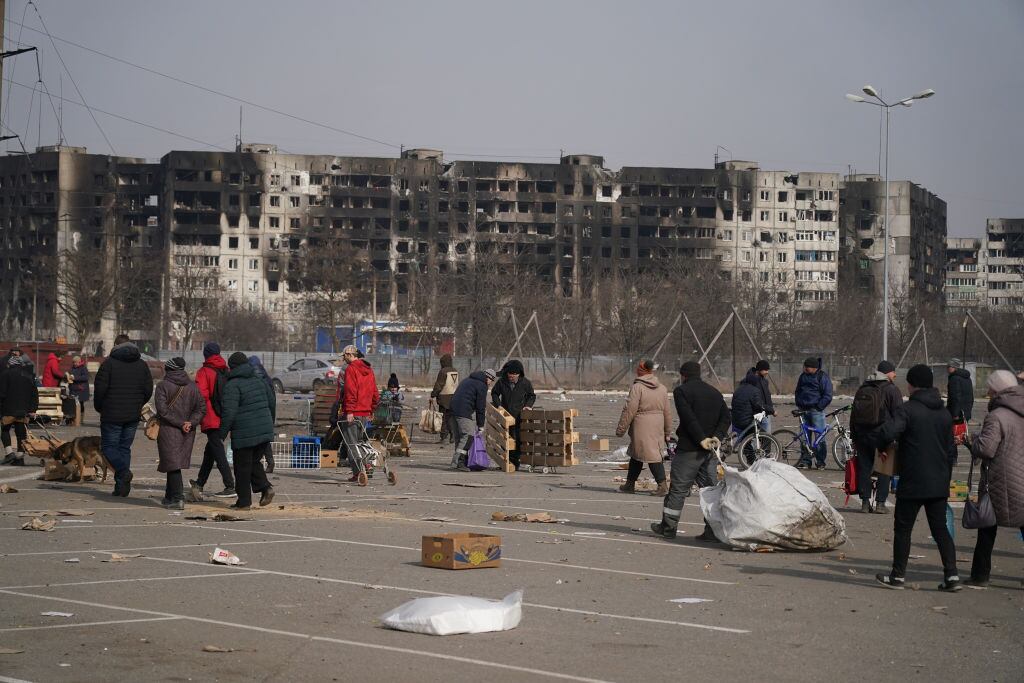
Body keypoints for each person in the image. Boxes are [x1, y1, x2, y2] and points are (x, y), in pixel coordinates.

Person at [871, 365, 960, 591]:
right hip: (938, 480)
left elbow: (888, 432)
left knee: (903, 528)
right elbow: (950, 450)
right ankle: (952, 576)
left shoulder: (908, 409)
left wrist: (882, 445)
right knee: (940, 528)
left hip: (913, 479)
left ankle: (898, 576)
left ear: (911, 385)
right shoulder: (944, 412)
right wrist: (944, 475)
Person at [651, 361, 730, 541]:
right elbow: (726, 417)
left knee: (678, 489)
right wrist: (716, 437)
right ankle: (712, 531)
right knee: (709, 490)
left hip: (689, 449)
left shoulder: (682, 391)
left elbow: (688, 418)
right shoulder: (714, 392)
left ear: (683, 375)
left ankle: (669, 528)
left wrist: (700, 438)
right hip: (710, 452)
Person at [962, 370, 1024, 587]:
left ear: (997, 390)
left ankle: (980, 575)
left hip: (1003, 479)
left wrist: (975, 440)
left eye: (990, 387)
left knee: (987, 526)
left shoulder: (997, 416)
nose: (987, 391)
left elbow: (986, 450)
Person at [94, 334, 154, 497]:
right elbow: (148, 388)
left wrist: (100, 407)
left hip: (111, 414)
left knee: (108, 448)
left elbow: (99, 390)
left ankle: (123, 472)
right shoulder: (142, 364)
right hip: (132, 414)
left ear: (115, 346)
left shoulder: (108, 364)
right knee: (124, 448)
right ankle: (121, 487)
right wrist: (138, 403)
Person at [218, 352, 275, 510]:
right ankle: (265, 488)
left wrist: (221, 434)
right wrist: (270, 424)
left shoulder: (232, 385)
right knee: (254, 462)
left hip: (245, 432)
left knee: (242, 468)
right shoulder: (259, 380)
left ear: (232, 367)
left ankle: (243, 502)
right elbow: (272, 402)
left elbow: (229, 412)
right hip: (264, 427)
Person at [849, 360, 903, 514]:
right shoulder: (891, 389)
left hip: (862, 435)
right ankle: (880, 504)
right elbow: (899, 415)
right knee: (884, 469)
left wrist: (854, 436)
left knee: (864, 468)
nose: (895, 374)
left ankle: (865, 503)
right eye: (893, 372)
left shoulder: (863, 388)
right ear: (887, 373)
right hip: (882, 435)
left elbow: (854, 414)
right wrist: (895, 436)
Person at [154, 358, 206, 510]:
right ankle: (169, 496)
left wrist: (180, 423)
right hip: (188, 431)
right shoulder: (193, 386)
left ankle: (177, 498)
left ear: (168, 369)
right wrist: (191, 422)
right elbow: (201, 409)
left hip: (169, 429)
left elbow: (162, 411)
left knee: (173, 463)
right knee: (172, 462)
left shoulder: (162, 386)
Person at [616, 360, 671, 495]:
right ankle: (630, 484)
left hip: (642, 425)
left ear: (640, 371)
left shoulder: (637, 388)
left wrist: (621, 429)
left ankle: (662, 485)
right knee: (637, 454)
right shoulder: (662, 388)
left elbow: (630, 409)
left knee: (651, 456)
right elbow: (667, 412)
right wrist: (667, 431)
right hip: (657, 424)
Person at [191, 342, 235, 500]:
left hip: (210, 416)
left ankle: (230, 484)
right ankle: (200, 482)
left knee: (217, 451)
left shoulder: (204, 371)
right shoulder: (226, 369)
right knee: (210, 452)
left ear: (206, 354)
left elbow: (200, 395)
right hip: (224, 416)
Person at [339, 345, 380, 482]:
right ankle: (368, 464)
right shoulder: (368, 369)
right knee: (361, 442)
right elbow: (374, 392)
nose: (343, 359)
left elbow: (351, 391)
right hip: (365, 412)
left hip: (354, 411)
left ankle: (358, 472)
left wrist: (349, 411)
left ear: (350, 355)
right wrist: (372, 409)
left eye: (344, 356)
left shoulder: (351, 369)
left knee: (352, 444)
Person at [491, 359, 537, 471]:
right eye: (509, 374)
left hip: (520, 416)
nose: (510, 376)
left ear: (518, 374)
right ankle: (506, 461)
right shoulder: (502, 381)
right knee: (506, 439)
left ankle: (515, 462)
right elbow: (494, 393)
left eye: (513, 375)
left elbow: (531, 395)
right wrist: (499, 405)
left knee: (519, 439)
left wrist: (528, 406)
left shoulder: (525, 383)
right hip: (506, 416)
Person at [450, 368, 496, 471]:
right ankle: (458, 462)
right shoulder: (482, 385)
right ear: (488, 378)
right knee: (468, 436)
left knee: (460, 438)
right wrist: (480, 425)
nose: (490, 383)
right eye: (491, 381)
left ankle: (460, 462)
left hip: (452, 411)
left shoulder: (468, 380)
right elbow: (480, 406)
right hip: (463, 411)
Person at [794, 357, 833, 469]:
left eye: (807, 367)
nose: (805, 368)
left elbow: (828, 395)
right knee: (804, 437)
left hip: (816, 411)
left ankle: (820, 462)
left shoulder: (822, 377)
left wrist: (818, 406)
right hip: (803, 410)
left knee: (820, 437)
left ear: (814, 368)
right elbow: (798, 391)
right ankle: (806, 461)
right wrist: (799, 403)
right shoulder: (803, 376)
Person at [0, 356, 38, 465]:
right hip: (24, 410)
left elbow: (2, 393)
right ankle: (20, 458)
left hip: (8, 409)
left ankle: (9, 453)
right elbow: (34, 394)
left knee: (4, 429)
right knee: (21, 433)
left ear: (10, 364)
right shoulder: (29, 375)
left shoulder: (5, 374)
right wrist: (33, 409)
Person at [247, 354, 276, 473]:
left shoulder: (251, 379)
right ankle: (269, 461)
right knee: (264, 439)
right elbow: (272, 401)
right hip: (266, 413)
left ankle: (256, 463)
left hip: (255, 413)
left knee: (256, 438)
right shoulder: (266, 379)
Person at [430, 354, 459, 443]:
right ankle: (453, 435)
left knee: (443, 418)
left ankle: (443, 436)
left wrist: (433, 394)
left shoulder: (443, 371)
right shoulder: (455, 371)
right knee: (451, 417)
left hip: (444, 398)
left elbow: (439, 385)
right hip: (454, 397)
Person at [946, 358, 974, 423]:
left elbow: (955, 397)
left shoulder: (954, 378)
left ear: (954, 367)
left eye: (949, 366)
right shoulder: (967, 378)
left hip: (958, 414)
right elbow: (971, 396)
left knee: (955, 432)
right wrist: (969, 410)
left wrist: (955, 414)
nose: (947, 369)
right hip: (965, 412)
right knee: (963, 432)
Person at [68, 355, 90, 423]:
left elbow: (85, 377)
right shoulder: (72, 368)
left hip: (81, 389)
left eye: (75, 362)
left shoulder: (83, 368)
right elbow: (70, 375)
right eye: (73, 362)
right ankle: (74, 419)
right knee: (73, 404)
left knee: (80, 404)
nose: (74, 364)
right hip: (73, 389)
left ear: (79, 362)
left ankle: (80, 419)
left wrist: (75, 378)